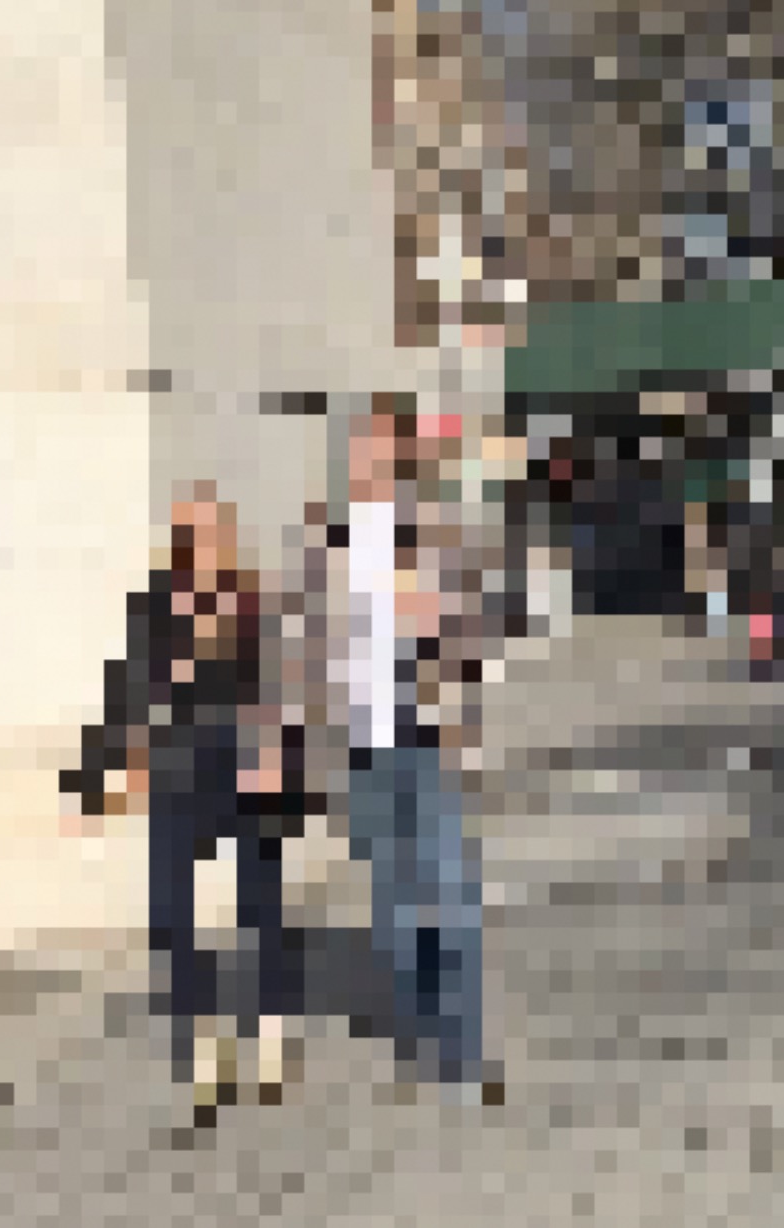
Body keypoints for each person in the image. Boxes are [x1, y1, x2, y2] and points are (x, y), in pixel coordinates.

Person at [66, 485, 306, 1121]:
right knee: (171, 909)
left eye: (206, 533)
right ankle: (206, 1040)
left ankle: (271, 1031)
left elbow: (284, 690)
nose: (196, 547)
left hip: (248, 761)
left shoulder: (255, 603)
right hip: (179, 763)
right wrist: (93, 773)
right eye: (186, 535)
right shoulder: (155, 608)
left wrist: (286, 765)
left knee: (262, 904)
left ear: (225, 538)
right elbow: (127, 689)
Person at [287, 395, 496, 1105]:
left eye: (380, 445)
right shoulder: (326, 540)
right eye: (360, 446)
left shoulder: (433, 533)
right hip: (360, 740)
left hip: (427, 729)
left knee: (451, 890)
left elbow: (477, 626)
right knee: (392, 899)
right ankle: (421, 1029)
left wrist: (445, 624)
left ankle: (462, 1049)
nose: (368, 458)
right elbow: (306, 646)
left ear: (402, 455)